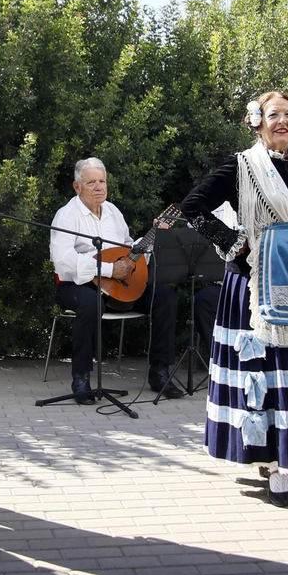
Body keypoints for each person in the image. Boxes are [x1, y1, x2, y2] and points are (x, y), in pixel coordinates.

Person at [176, 92, 288, 506]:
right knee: (268, 374)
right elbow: (192, 206)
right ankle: (273, 464)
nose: (282, 122)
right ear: (256, 121)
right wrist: (233, 243)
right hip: (254, 285)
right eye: (273, 115)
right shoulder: (241, 166)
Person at [50, 158, 188, 403]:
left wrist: (153, 239)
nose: (99, 187)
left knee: (164, 297)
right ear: (76, 187)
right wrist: (109, 270)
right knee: (91, 303)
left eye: (102, 181)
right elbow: (63, 262)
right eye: (91, 182)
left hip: (117, 289)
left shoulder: (113, 212)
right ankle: (80, 378)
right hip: (75, 285)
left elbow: (127, 249)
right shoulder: (66, 216)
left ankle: (159, 372)